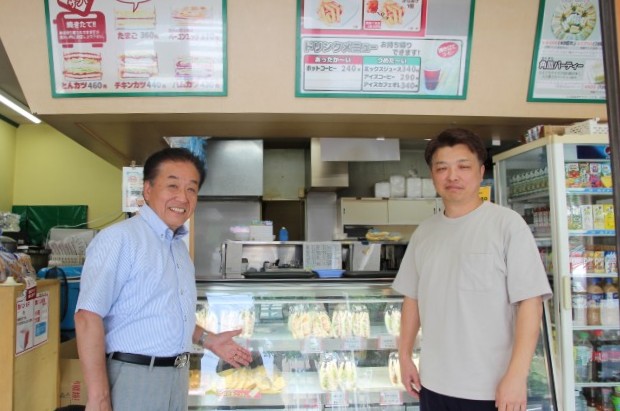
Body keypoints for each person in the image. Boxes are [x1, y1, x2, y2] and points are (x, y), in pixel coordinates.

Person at [75, 148, 252, 411]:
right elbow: (87, 316)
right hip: (134, 378)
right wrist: (98, 397)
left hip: (176, 378)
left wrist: (209, 340)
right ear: (147, 190)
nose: (183, 197)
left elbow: (167, 313)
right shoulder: (120, 239)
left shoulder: (177, 248)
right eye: (172, 186)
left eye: (191, 189)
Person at [392, 128, 552, 411]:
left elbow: (531, 302)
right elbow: (412, 299)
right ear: (433, 176)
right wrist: (404, 356)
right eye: (442, 168)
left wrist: (517, 375)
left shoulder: (507, 225)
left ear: (480, 172)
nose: (452, 176)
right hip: (433, 383)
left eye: (463, 167)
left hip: (491, 387)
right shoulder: (425, 232)